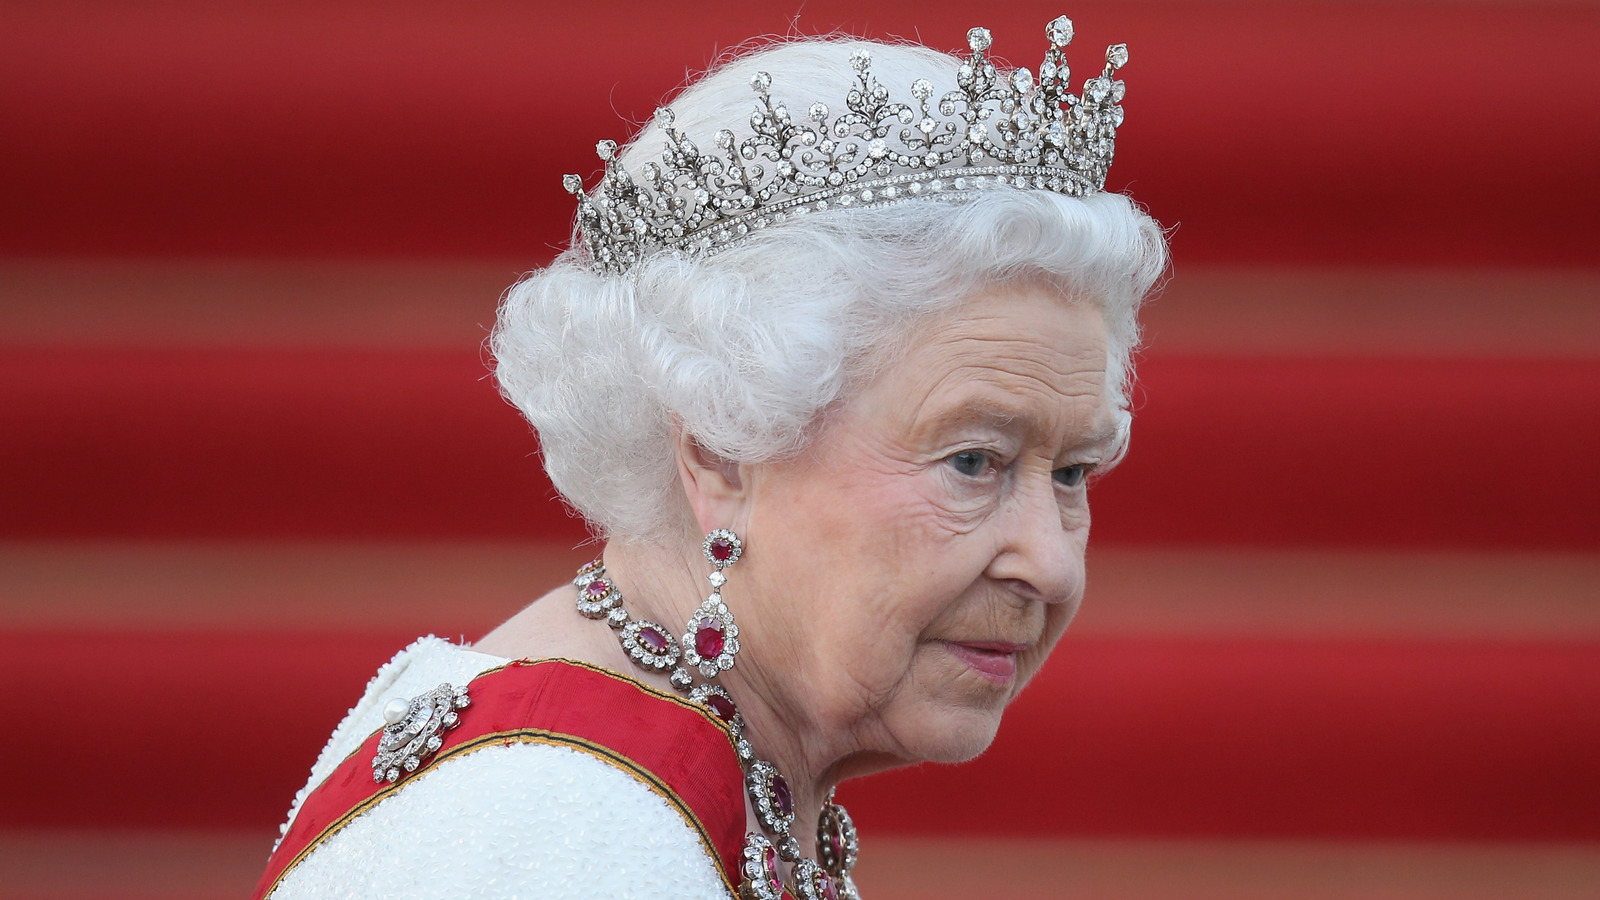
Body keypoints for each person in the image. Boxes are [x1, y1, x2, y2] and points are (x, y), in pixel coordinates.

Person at [255, 16, 1164, 900]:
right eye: (974, 462)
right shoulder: (559, 833)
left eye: (1075, 473)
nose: (1049, 562)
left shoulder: (686, 776)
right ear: (724, 452)